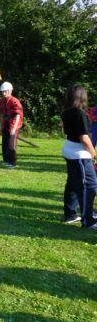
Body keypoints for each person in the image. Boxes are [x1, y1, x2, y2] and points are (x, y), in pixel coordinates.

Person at [61, 84, 97, 229]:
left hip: (69, 149)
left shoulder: (66, 112)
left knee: (73, 183)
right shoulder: (80, 114)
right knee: (89, 185)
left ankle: (70, 215)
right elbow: (84, 137)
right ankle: (88, 220)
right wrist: (93, 153)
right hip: (79, 154)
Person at [0, 82, 23, 168]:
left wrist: (14, 128)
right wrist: (1, 125)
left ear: (10, 91)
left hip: (13, 123)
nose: (3, 93)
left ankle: (13, 162)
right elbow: (2, 114)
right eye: (2, 91)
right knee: (4, 143)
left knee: (11, 144)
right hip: (6, 123)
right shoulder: (2, 101)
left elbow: (18, 115)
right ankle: (6, 160)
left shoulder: (15, 101)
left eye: (5, 91)